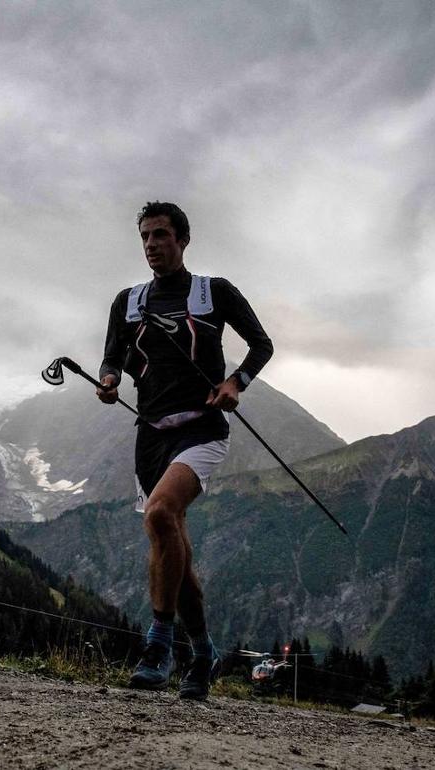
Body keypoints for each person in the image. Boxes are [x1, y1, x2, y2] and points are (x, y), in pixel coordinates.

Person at [96, 201, 273, 700]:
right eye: (145, 237)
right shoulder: (126, 302)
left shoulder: (213, 292)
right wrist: (109, 380)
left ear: (183, 239)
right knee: (174, 550)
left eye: (161, 235)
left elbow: (261, 344)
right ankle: (202, 654)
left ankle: (158, 646)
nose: (152, 245)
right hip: (150, 435)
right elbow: (113, 356)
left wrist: (235, 382)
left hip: (202, 429)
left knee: (159, 515)